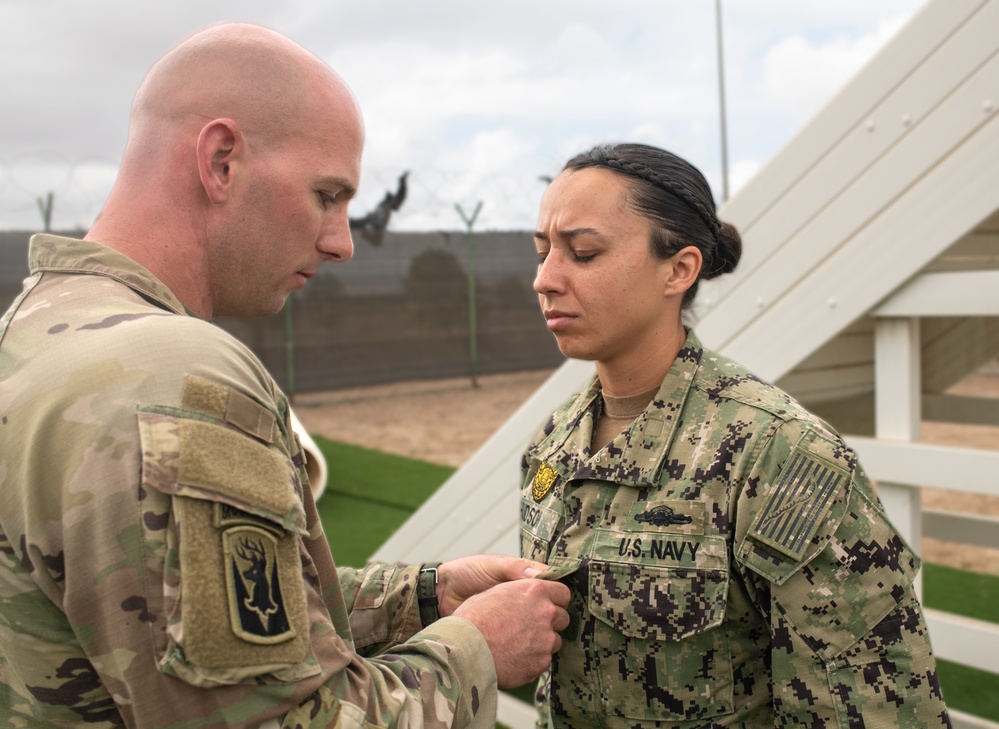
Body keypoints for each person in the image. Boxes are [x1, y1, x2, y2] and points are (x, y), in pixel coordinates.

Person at [0, 23, 570, 728]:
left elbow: (167, 610)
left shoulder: (33, 329)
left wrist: (425, 596)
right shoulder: (176, 375)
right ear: (221, 161)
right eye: (327, 195)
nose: (341, 241)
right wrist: (478, 646)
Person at [519, 143, 950, 727]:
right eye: (543, 252)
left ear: (679, 269)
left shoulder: (780, 455)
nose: (545, 280)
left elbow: (874, 710)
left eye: (584, 253)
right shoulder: (553, 444)